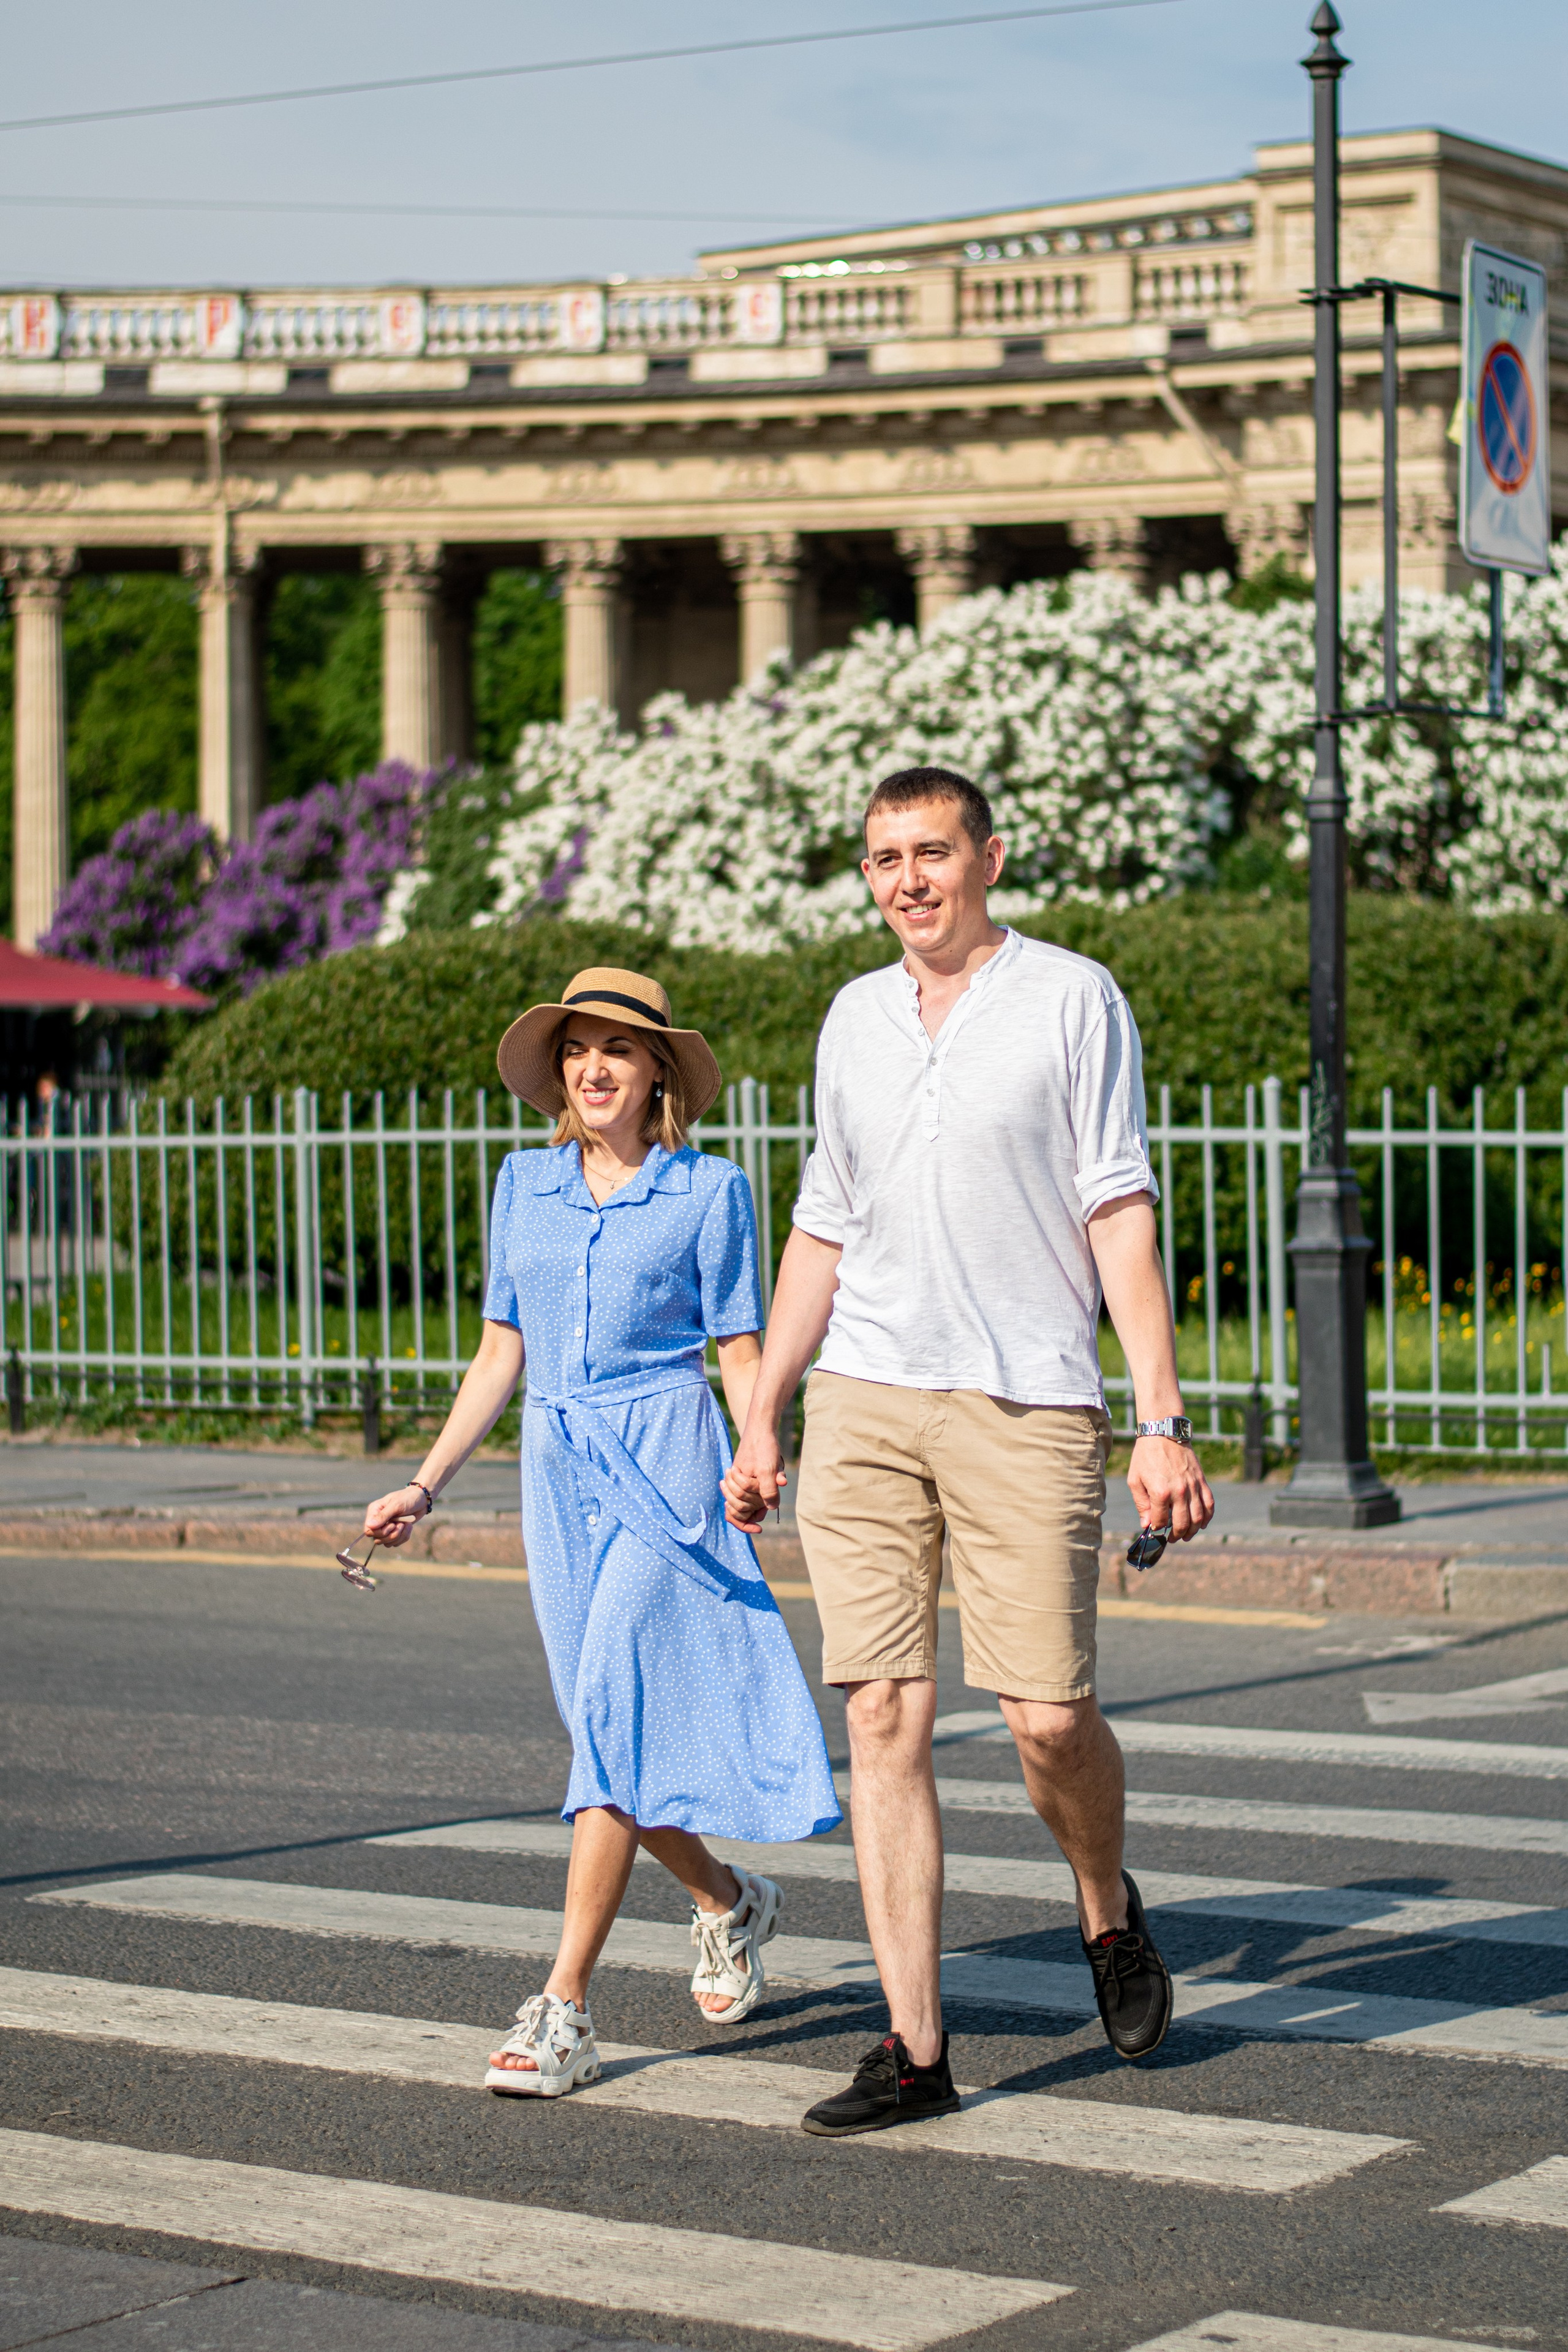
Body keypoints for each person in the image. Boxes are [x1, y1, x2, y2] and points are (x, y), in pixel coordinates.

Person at [723, 767, 1214, 2138]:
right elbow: (823, 1222)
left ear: (985, 858)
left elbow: (1115, 1204)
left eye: (930, 852)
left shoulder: (1067, 997)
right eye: (884, 858)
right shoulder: (851, 1018)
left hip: (1026, 1398)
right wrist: (765, 1409)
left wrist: (1158, 1420)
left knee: (1045, 1718)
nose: (906, 880)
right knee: (879, 1713)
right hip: (867, 1400)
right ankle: (914, 2046)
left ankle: (1104, 1911)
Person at [364, 965, 840, 2098]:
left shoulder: (707, 1192)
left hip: (667, 1467)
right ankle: (728, 1900)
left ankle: (565, 2007)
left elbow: (736, 1346)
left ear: (658, 1073)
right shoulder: (523, 1186)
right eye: (577, 1050)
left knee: (614, 1717)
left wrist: (760, 1440)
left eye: (618, 1052)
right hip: (556, 1470)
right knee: (609, 1740)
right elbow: (501, 1354)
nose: (593, 1069)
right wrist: (425, 1486)